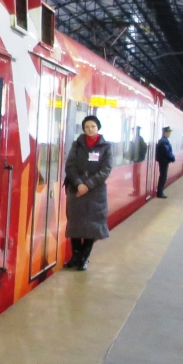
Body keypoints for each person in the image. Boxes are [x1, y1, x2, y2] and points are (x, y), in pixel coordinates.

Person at [63, 114, 112, 270]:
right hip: (76, 189)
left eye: (93, 126)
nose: (90, 129)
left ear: (98, 128)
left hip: (95, 191)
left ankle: (84, 258)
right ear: (83, 129)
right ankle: (75, 257)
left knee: (93, 226)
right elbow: (70, 165)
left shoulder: (106, 147)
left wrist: (88, 185)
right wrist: (78, 184)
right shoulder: (77, 145)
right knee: (75, 224)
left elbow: (106, 169)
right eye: (87, 127)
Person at [155, 126, 175, 198]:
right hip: (163, 161)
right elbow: (167, 152)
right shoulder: (164, 141)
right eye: (169, 132)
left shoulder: (163, 140)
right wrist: (172, 158)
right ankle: (160, 193)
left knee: (163, 176)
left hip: (163, 160)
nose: (169, 134)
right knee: (163, 177)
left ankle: (160, 192)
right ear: (165, 132)